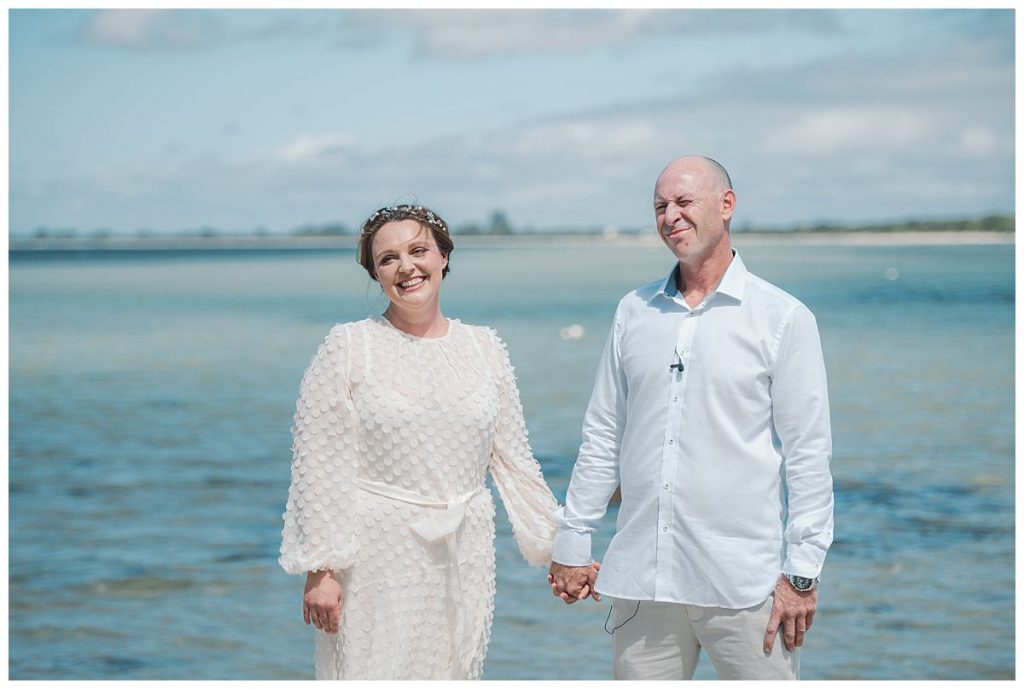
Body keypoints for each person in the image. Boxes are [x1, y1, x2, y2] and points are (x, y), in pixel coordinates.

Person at [547, 156, 834, 680]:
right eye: (660, 206)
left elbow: (808, 452)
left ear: (726, 205)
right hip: (641, 580)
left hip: (745, 585)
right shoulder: (633, 311)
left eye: (683, 202)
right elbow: (603, 433)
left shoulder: (783, 317)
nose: (670, 216)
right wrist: (573, 541)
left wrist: (803, 574)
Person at [279, 203, 560, 680]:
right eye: (388, 259)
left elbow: (513, 460)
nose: (406, 267)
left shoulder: (484, 347)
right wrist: (322, 569)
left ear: (443, 256)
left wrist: (559, 548)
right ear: (375, 273)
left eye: (418, 250)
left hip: (465, 551)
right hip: (377, 556)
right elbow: (320, 464)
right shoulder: (348, 347)